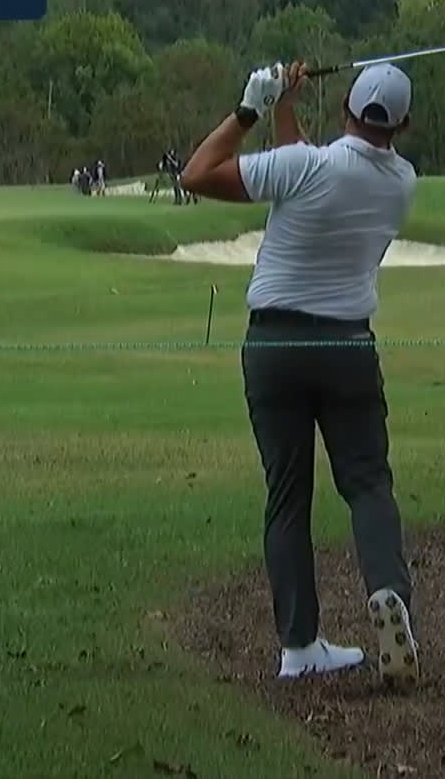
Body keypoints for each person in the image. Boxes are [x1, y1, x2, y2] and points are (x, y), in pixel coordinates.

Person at [179, 60, 421, 686]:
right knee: (367, 484)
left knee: (288, 495)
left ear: (344, 106)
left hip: (276, 345)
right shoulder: (401, 182)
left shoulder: (305, 169)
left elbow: (197, 174)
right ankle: (390, 594)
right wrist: (287, 105)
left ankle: (299, 645)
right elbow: (313, 167)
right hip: (346, 346)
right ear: (402, 125)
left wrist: (251, 109)